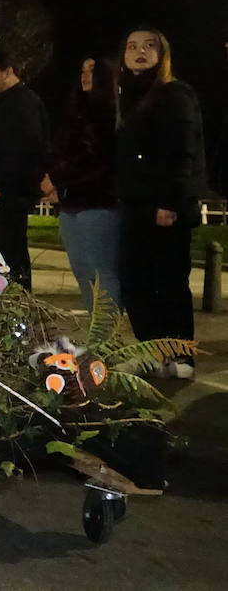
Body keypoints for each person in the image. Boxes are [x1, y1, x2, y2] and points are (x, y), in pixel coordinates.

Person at [115, 28, 206, 379]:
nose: (140, 51)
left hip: (164, 207)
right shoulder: (129, 98)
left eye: (148, 46)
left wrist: (169, 201)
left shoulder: (174, 94)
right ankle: (151, 351)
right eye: (132, 46)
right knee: (136, 280)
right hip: (136, 206)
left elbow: (182, 151)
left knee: (168, 281)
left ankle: (180, 355)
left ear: (162, 53)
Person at [43, 57, 121, 310]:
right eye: (82, 70)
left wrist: (59, 178)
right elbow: (57, 152)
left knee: (104, 273)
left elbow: (100, 158)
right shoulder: (73, 112)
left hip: (99, 201)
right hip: (70, 202)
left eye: (92, 70)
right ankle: (95, 331)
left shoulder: (112, 112)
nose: (85, 75)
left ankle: (108, 339)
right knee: (82, 272)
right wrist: (50, 178)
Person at [0, 52, 49, 290]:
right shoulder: (2, 103)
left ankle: (14, 314)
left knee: (6, 258)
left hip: (6, 197)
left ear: (8, 71)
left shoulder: (22, 102)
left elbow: (27, 147)